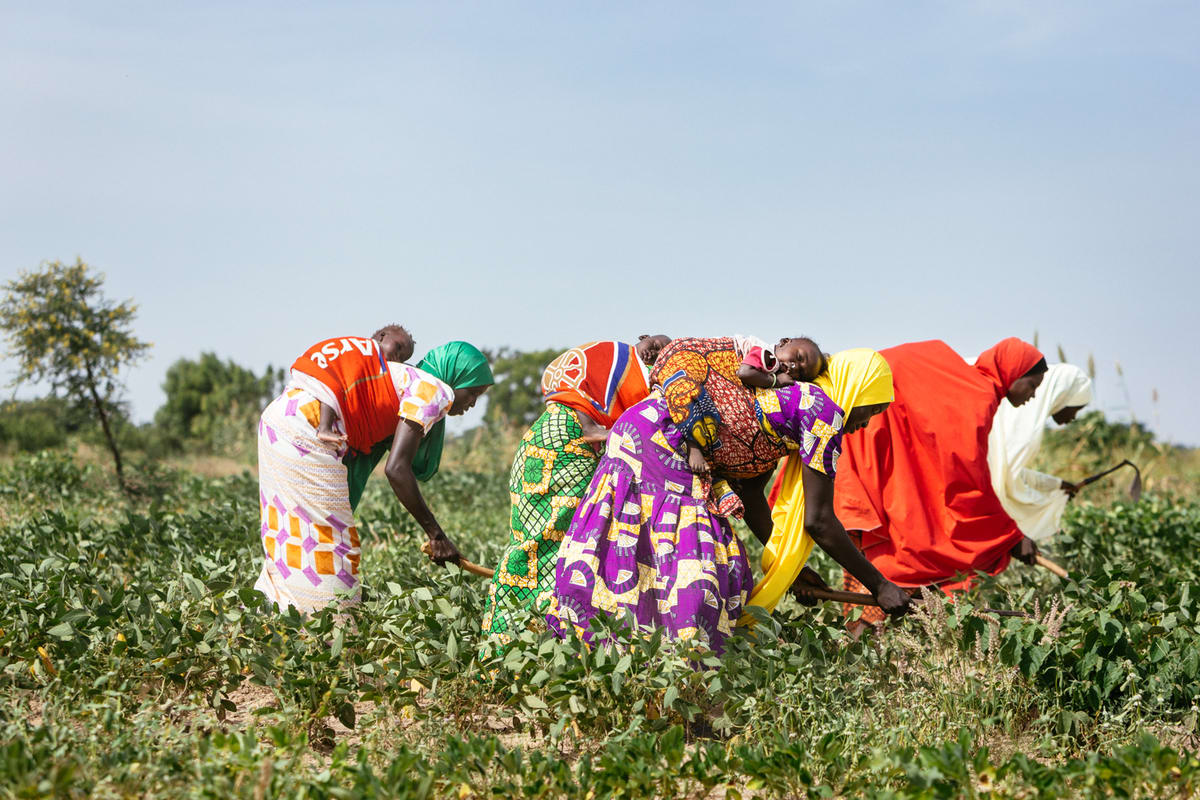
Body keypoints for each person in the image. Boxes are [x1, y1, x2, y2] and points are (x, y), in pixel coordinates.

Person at [547, 340, 910, 653]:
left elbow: (752, 495)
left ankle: (608, 651)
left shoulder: (796, 398)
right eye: (873, 409)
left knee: (636, 552)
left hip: (638, 428)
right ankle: (686, 669)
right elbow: (819, 520)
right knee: (706, 567)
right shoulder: (822, 413)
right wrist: (881, 586)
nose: (866, 423)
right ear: (857, 391)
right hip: (666, 445)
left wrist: (791, 570)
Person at [799, 337, 1046, 626]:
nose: (1033, 395)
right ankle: (856, 653)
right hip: (866, 460)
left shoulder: (952, 372)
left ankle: (866, 657)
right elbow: (967, 477)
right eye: (1033, 385)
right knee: (879, 573)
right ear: (1015, 372)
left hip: (855, 456)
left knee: (873, 571)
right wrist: (1008, 535)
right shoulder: (976, 394)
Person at [253, 336, 492, 614]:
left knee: (288, 528)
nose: (473, 403)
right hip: (306, 427)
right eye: (472, 392)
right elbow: (396, 469)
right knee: (331, 542)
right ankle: (328, 623)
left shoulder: (403, 379)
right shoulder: (433, 390)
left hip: (279, 417)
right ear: (455, 378)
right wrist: (436, 535)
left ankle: (268, 610)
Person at [479, 336, 666, 646]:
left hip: (541, 450)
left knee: (534, 545)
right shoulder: (614, 364)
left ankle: (512, 646)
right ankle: (541, 646)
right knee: (564, 546)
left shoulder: (606, 363)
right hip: (565, 455)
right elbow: (598, 425)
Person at [987, 363, 1093, 542]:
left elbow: (1001, 470)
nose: (1074, 416)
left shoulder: (1017, 414)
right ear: (1063, 397)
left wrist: (1055, 485)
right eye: (1076, 408)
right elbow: (999, 480)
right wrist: (1044, 501)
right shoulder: (1024, 425)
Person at [316, 325, 415, 447]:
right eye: (398, 348)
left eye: (402, 359)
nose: (396, 358)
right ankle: (324, 428)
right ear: (382, 337)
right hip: (324, 375)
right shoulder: (365, 350)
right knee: (334, 389)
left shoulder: (375, 365)